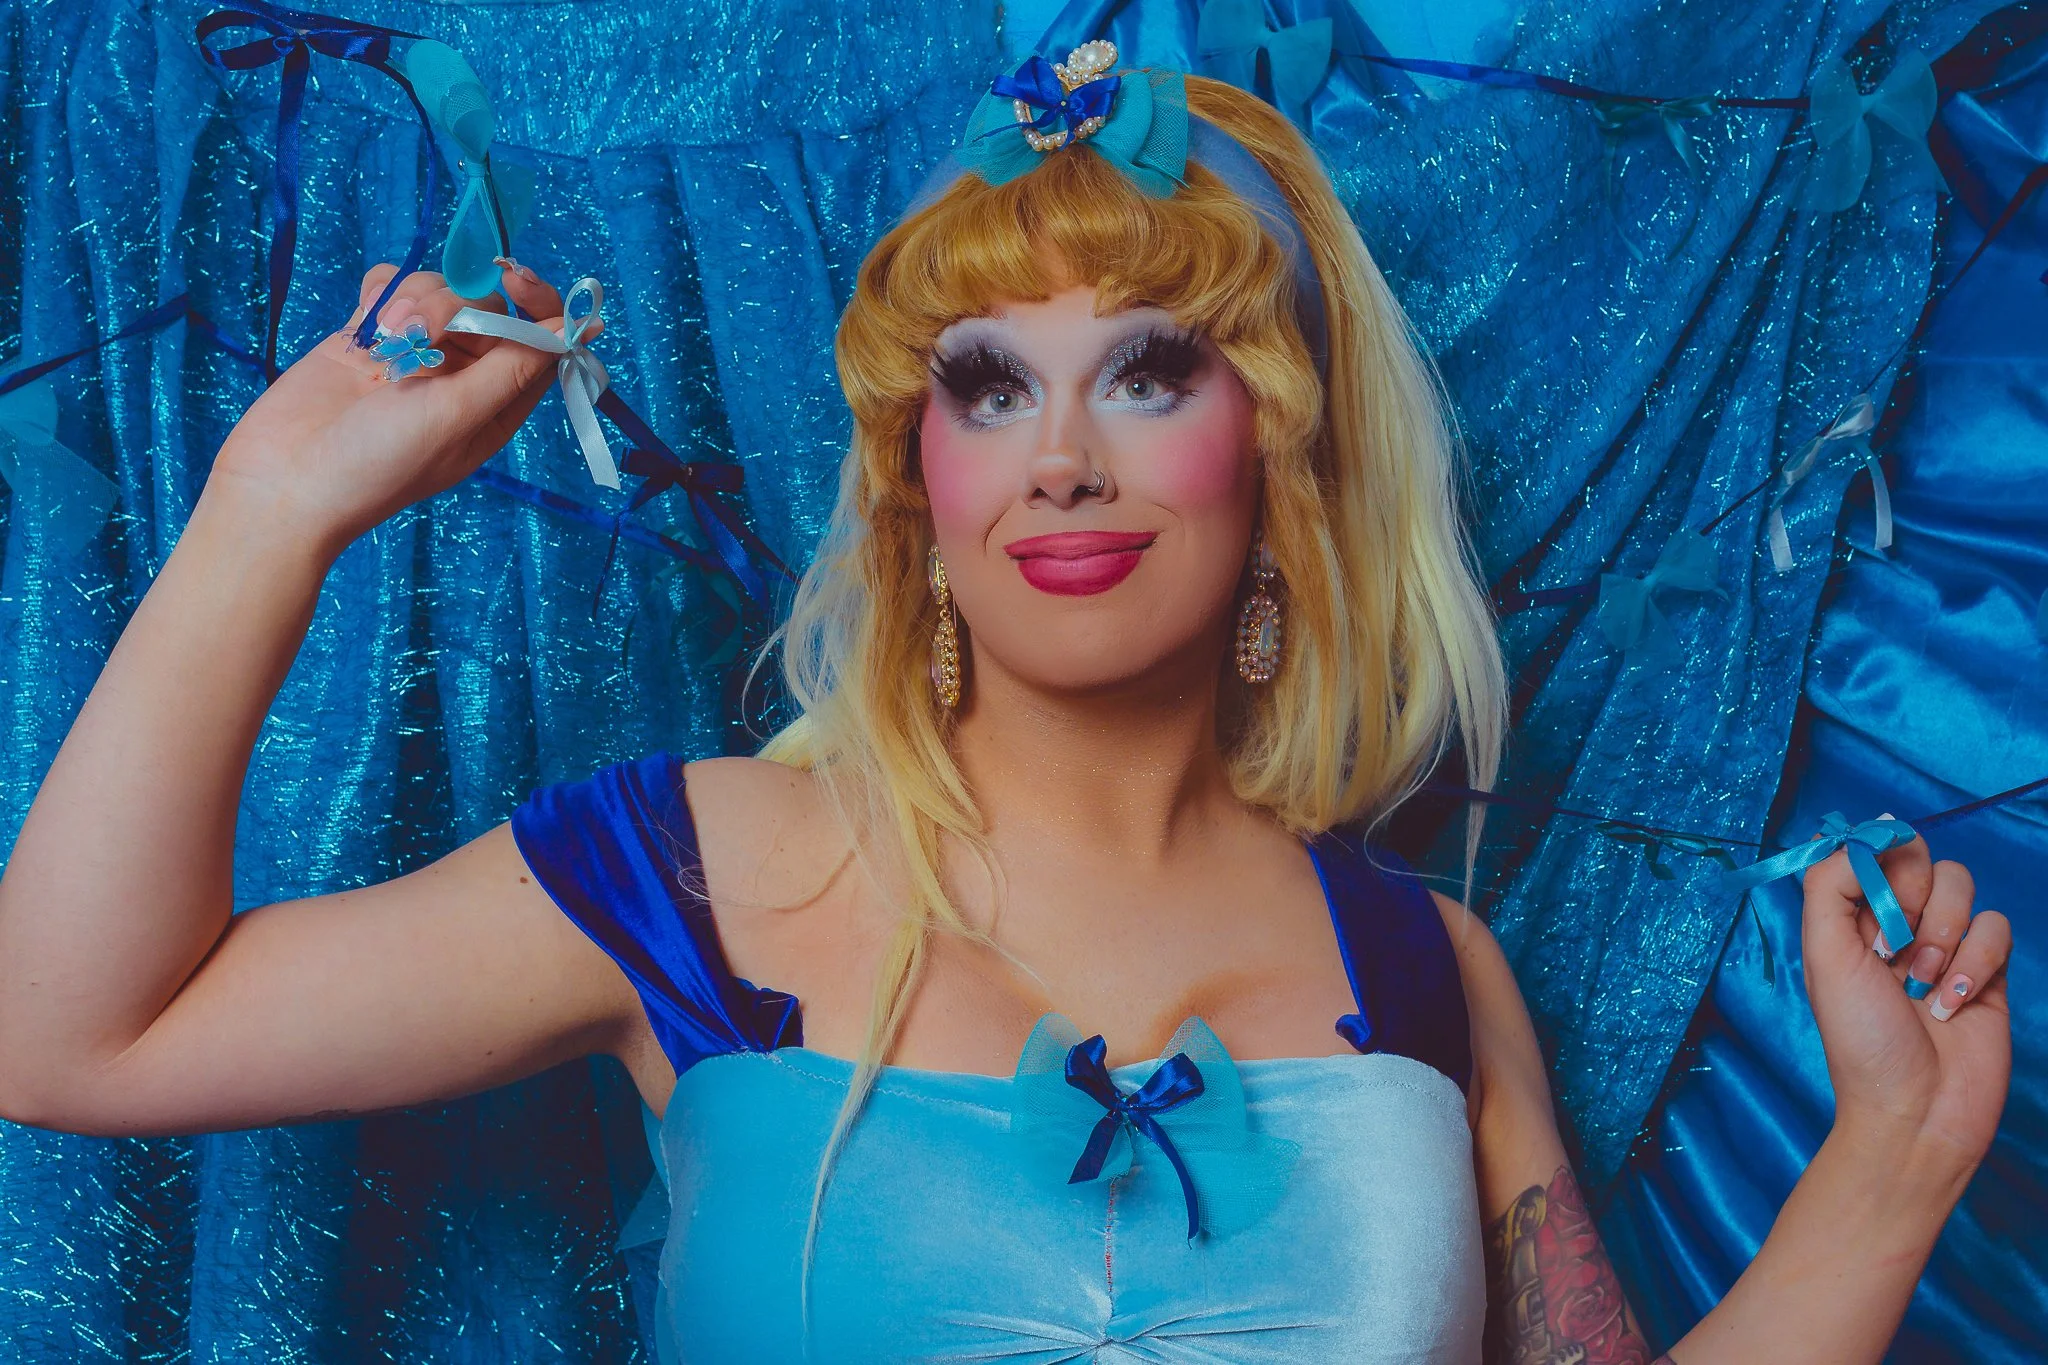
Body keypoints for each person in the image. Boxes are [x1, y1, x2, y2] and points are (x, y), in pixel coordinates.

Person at [0, 46, 2013, 1365]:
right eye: (986, 385)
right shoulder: (689, 873)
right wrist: (272, 506)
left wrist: (1900, 1149)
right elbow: (75, 1034)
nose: (1058, 458)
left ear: (1277, 455)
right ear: (917, 482)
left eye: (1147, 372)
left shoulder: (1424, 972)